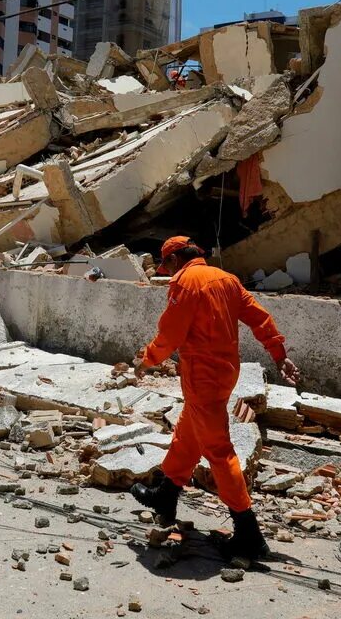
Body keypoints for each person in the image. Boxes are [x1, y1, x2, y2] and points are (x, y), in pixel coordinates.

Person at [130, 236, 300, 562]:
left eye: (168, 266)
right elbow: (260, 319)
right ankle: (165, 496)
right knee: (188, 432)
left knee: (219, 452)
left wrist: (146, 358)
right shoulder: (227, 280)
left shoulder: (187, 282)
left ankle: (249, 534)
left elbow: (171, 334)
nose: (169, 273)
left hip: (202, 377)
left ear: (176, 260)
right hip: (225, 375)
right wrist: (279, 355)